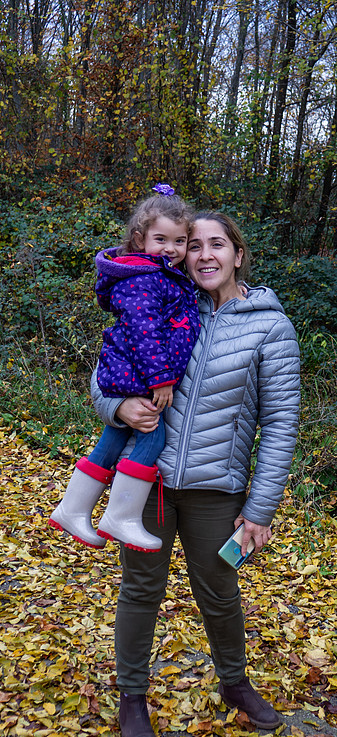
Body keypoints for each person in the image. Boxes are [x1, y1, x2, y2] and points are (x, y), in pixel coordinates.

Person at [91, 211, 300, 737]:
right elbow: (106, 371)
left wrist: (260, 509)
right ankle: (132, 696)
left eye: (218, 245)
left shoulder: (269, 324)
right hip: (147, 482)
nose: (205, 255)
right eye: (195, 246)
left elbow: (280, 423)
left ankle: (235, 684)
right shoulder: (163, 298)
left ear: (237, 253)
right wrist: (118, 408)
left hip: (217, 489)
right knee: (140, 590)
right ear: (180, 252)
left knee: (220, 591)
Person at [50, 185, 200, 552]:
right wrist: (162, 379)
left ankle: (73, 508)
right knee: (153, 437)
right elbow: (145, 331)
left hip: (129, 371)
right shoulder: (146, 277)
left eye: (180, 241)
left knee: (115, 437)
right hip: (138, 375)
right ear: (139, 239)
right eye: (161, 239)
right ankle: (121, 515)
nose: (171, 248)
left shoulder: (159, 273)